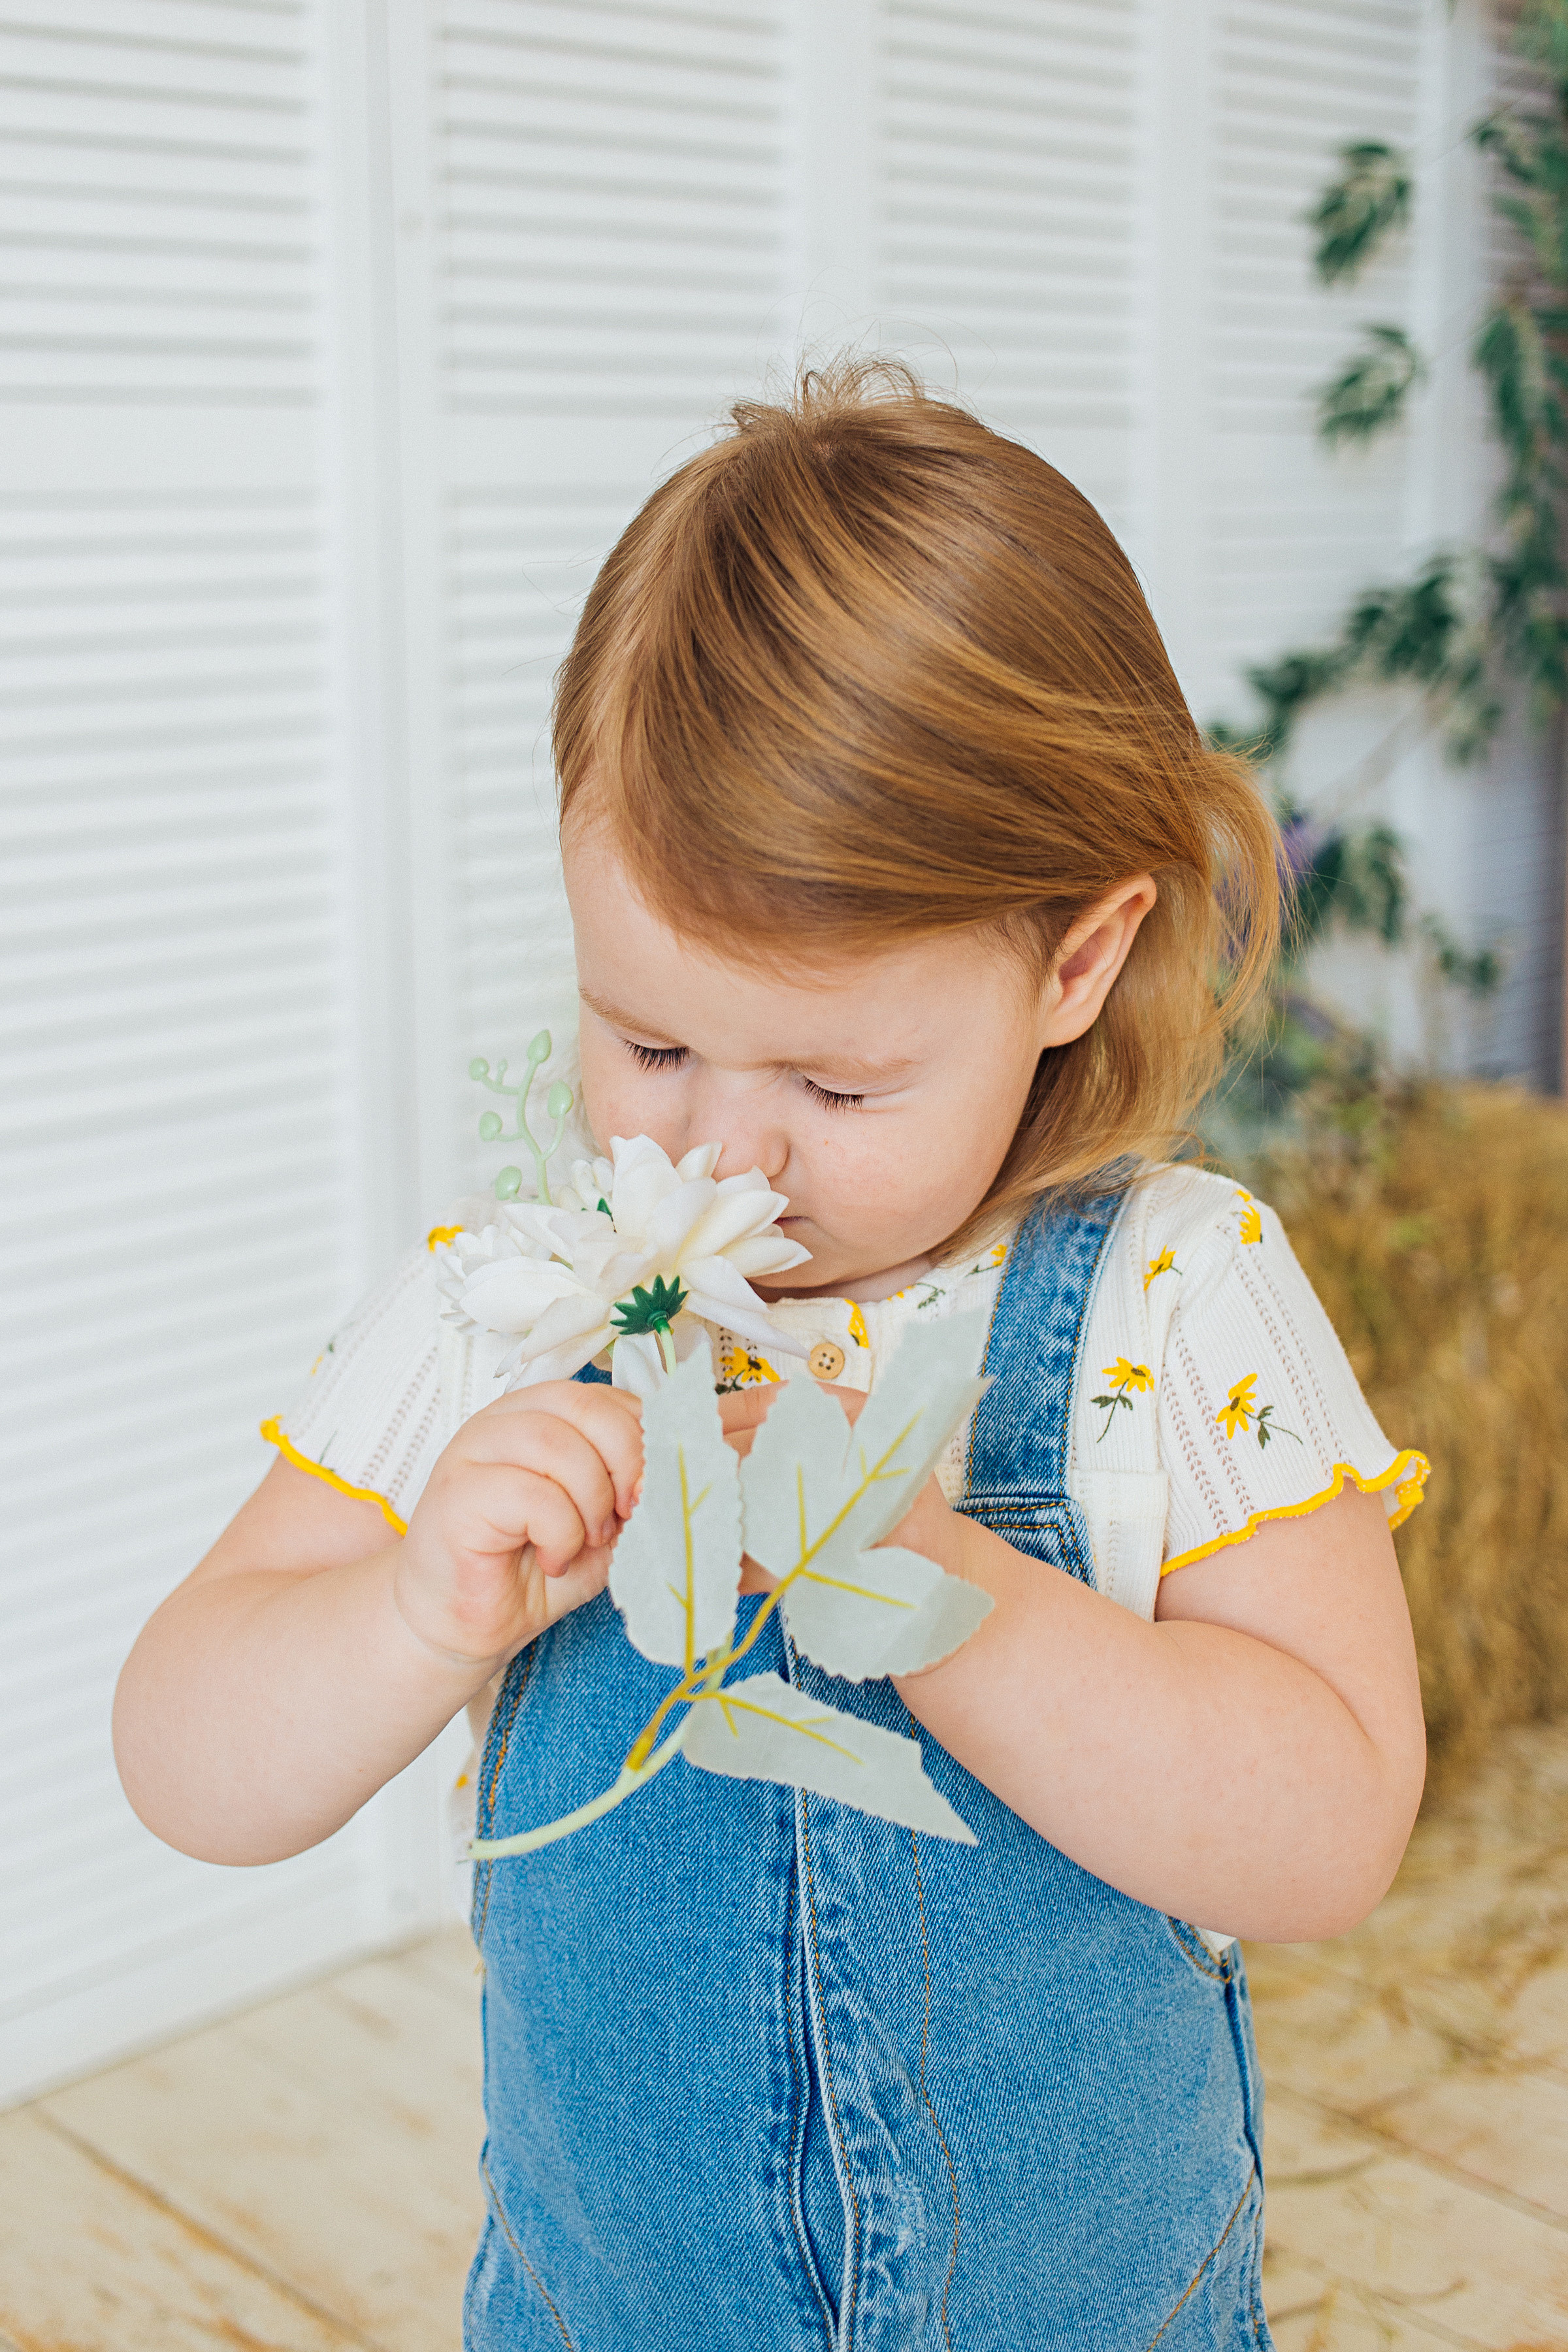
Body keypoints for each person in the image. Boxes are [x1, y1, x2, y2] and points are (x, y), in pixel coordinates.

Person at [115, 361, 1428, 2350]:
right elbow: (186, 1763)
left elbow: (1329, 1829)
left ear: (1075, 961)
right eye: (649, 1040)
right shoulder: (507, 1311)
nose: (723, 1154)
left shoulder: (1172, 1297)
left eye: (837, 1080)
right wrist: (411, 1611)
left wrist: (947, 1589)